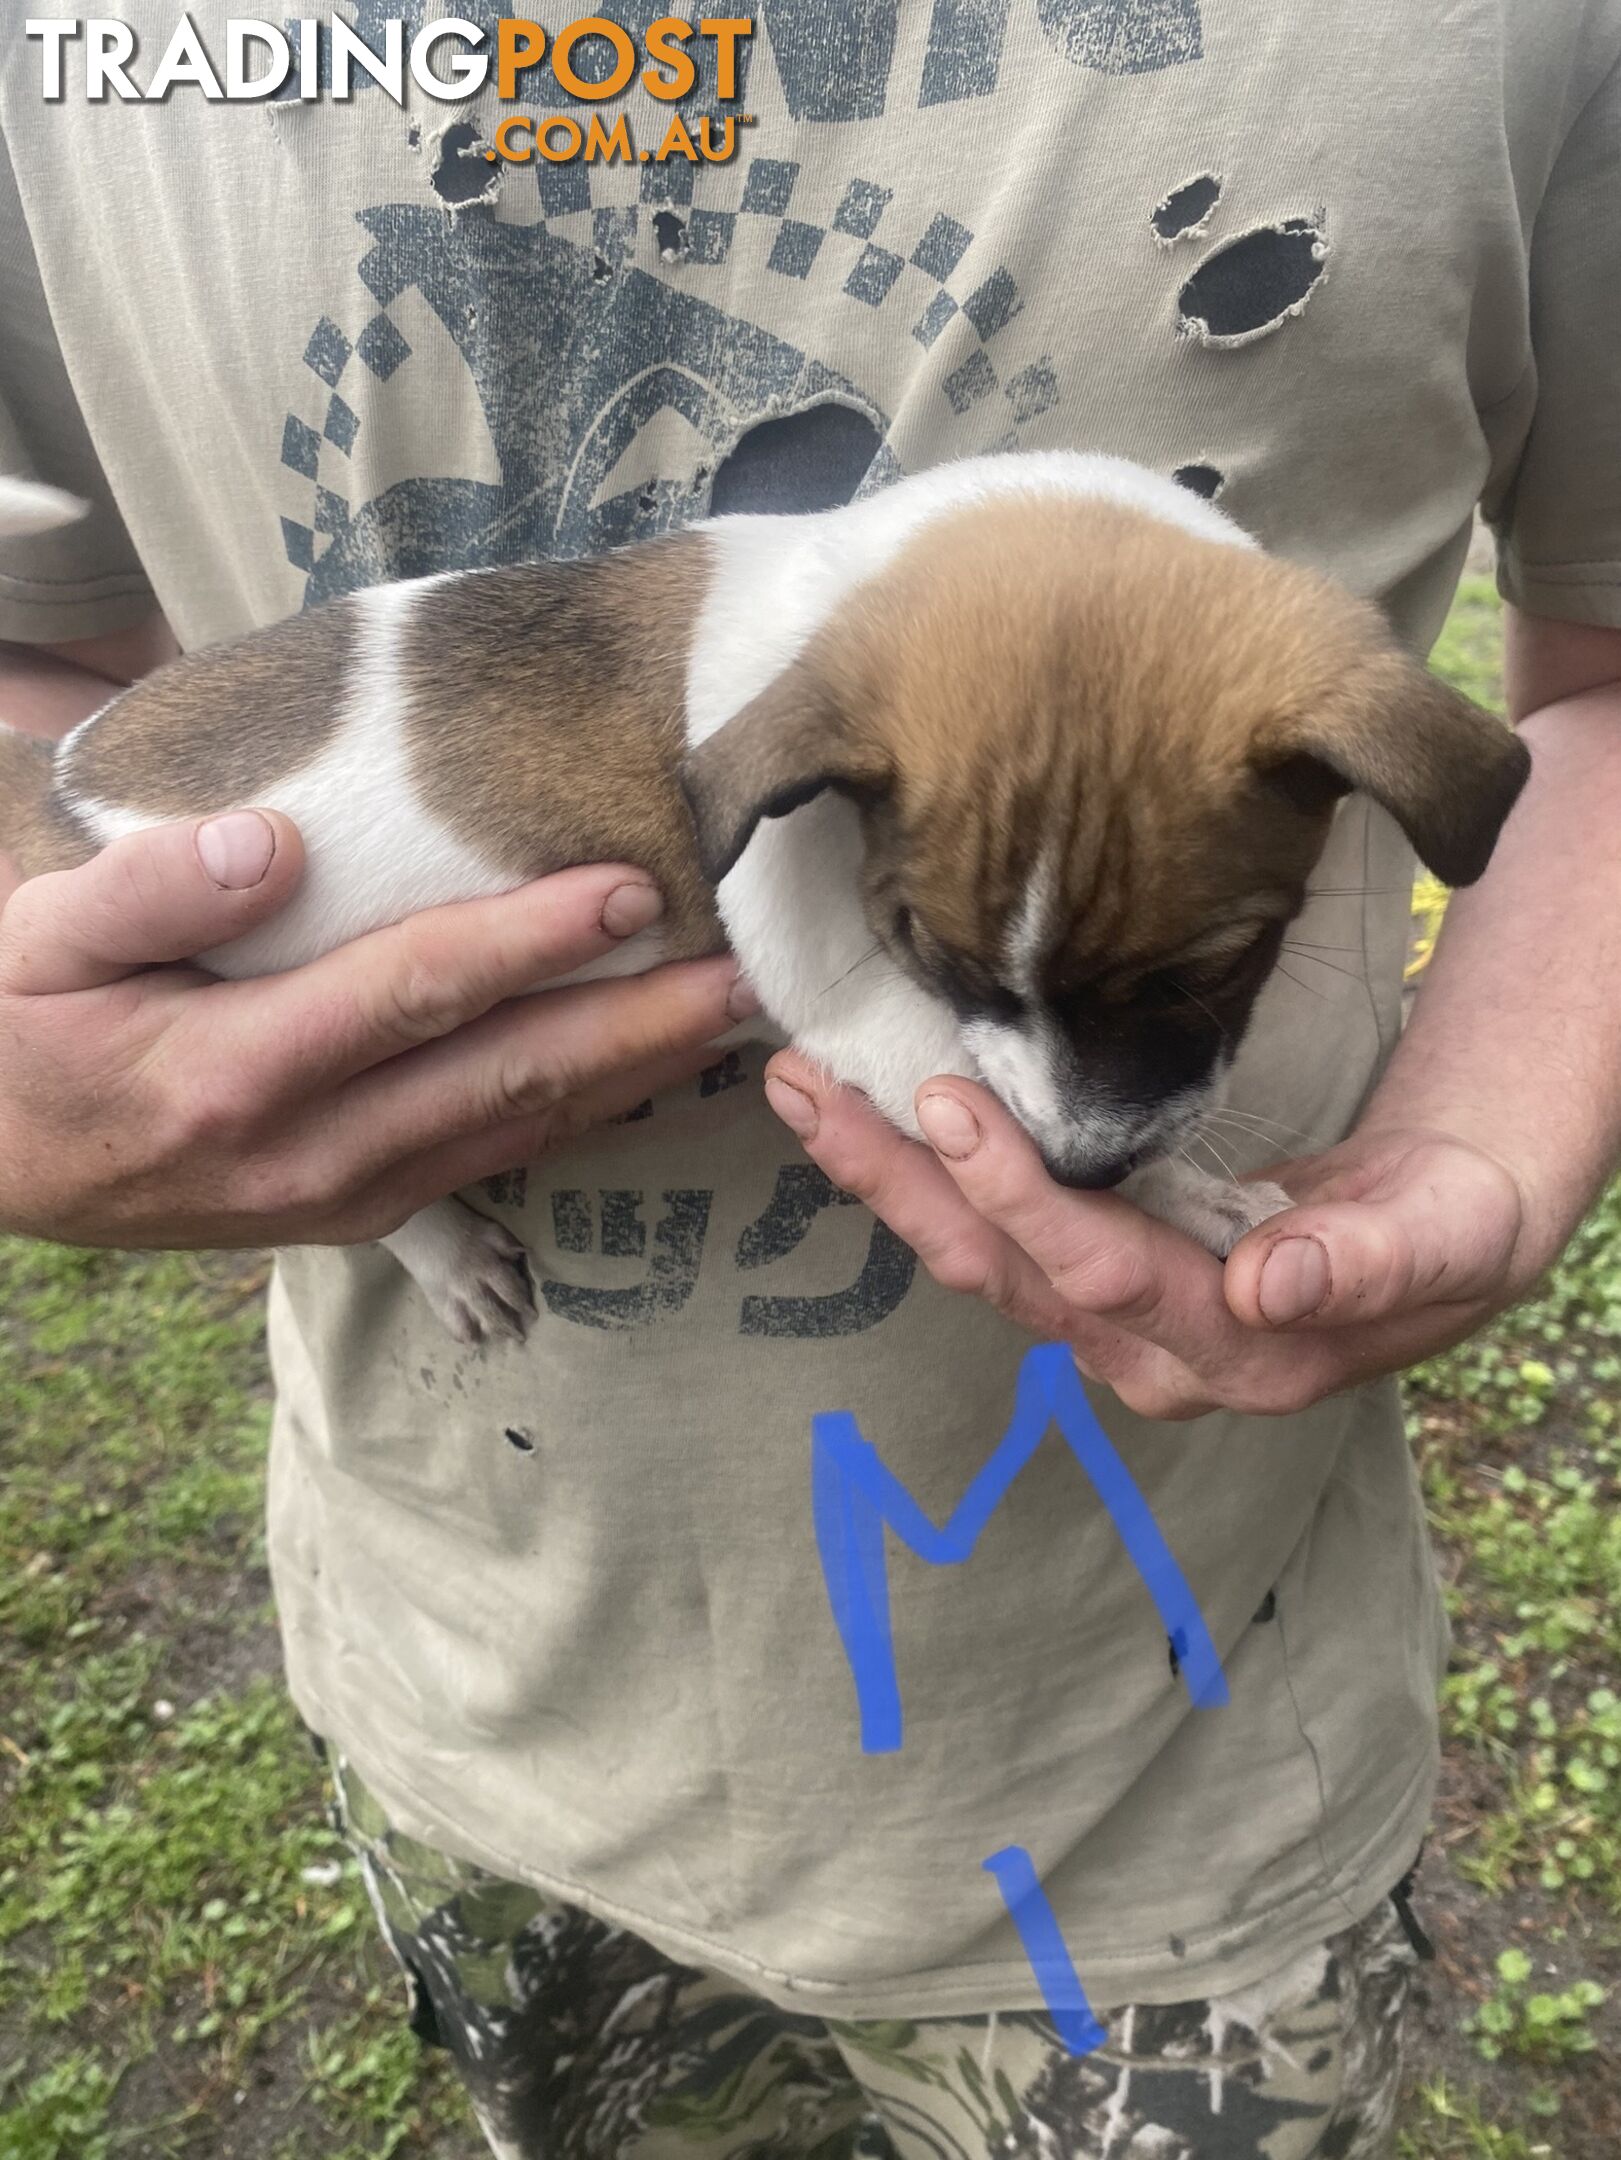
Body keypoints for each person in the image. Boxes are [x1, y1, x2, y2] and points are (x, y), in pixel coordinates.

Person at [2, 6, 1618, 2154]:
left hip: (1165, 1779)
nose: (1068, 1119)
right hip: (491, 1686)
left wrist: (1488, 1119)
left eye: (1169, 997)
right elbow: (50, 700)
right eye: (968, 975)